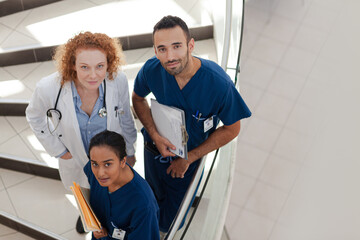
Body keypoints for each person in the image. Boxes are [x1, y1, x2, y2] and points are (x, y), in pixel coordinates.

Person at [132, 15, 252, 234]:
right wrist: (154, 135)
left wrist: (189, 158)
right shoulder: (152, 70)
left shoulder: (217, 84)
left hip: (189, 161)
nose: (170, 56)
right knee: (150, 196)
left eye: (176, 46)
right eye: (162, 49)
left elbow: (233, 128)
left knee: (173, 215)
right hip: (154, 150)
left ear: (191, 45)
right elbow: (137, 98)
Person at [25, 31, 137, 233]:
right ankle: (88, 218)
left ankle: (110, 219)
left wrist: (130, 150)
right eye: (84, 67)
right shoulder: (49, 88)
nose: (93, 75)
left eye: (100, 66)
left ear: (108, 64)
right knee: (84, 194)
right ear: (72, 65)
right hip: (75, 159)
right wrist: (58, 150)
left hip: (109, 155)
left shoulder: (117, 80)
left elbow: (125, 116)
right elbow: (34, 116)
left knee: (112, 191)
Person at [85, 130, 160, 240]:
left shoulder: (143, 205)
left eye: (107, 164)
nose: (100, 173)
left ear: (123, 161)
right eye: (95, 164)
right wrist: (96, 231)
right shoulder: (95, 172)